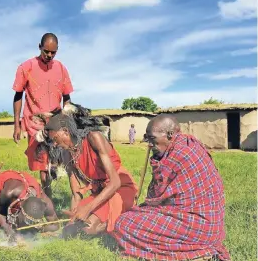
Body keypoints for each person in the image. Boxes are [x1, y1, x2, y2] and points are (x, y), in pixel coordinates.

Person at [111, 114, 230, 261]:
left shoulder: (179, 155)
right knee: (136, 215)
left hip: (199, 225)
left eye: (152, 138)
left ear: (169, 134)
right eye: (147, 138)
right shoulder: (187, 144)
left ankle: (200, 253)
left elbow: (157, 198)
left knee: (124, 223)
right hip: (210, 225)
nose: (149, 144)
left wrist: (143, 209)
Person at [36, 103, 138, 239]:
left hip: (120, 188)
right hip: (101, 193)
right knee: (73, 227)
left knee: (89, 228)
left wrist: (88, 209)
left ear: (66, 131)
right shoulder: (67, 154)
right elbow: (76, 192)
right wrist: (74, 214)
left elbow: (115, 182)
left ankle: (122, 217)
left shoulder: (94, 138)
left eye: (55, 139)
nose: (54, 144)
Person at [12, 32, 74, 199]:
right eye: (46, 51)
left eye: (53, 52)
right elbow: (18, 96)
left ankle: (66, 195)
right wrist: (17, 125)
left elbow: (67, 97)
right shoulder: (26, 67)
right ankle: (49, 201)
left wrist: (67, 120)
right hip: (35, 124)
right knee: (42, 164)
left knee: (61, 161)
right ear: (39, 47)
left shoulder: (61, 68)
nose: (49, 55)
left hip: (56, 124)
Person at [0, 170, 60, 243]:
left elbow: (56, 225)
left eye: (32, 222)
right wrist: (9, 231)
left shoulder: (44, 202)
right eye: (27, 221)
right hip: (1, 185)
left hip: (26, 182)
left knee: (19, 226)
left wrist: (39, 229)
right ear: (20, 209)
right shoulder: (9, 193)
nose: (28, 225)